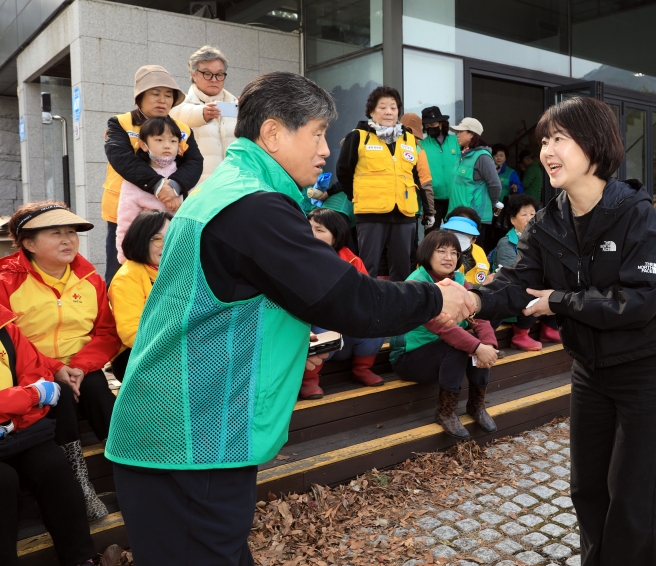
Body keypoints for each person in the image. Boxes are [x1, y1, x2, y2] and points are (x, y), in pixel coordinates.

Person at [104, 72, 473, 565]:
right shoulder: (252, 206)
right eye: (317, 133)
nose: (326, 149)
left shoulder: (232, 190)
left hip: (188, 430)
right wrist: (435, 299)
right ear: (274, 133)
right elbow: (351, 300)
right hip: (190, 438)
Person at [469, 97, 656, 565]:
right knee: (587, 490)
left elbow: (641, 300)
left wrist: (560, 301)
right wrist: (473, 299)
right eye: (544, 140)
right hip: (589, 372)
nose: (547, 150)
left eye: (559, 139)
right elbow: (518, 283)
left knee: (634, 500)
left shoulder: (637, 215)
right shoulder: (548, 223)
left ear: (595, 144)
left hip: (646, 372)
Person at [0, 201, 122, 522]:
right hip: (29, 371)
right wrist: (55, 369)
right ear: (29, 243)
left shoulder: (90, 278)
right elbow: (11, 339)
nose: (68, 240)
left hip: (82, 366)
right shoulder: (5, 280)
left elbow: (106, 332)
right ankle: (78, 482)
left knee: (97, 389)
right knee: (61, 393)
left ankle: (127, 471)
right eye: (56, 233)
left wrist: (80, 366)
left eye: (71, 232)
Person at [0, 304, 100, 566]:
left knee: (53, 467)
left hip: (16, 431)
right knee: (3, 481)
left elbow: (36, 374)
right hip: (14, 425)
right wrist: (30, 397)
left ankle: (81, 560)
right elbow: (36, 392)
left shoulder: (6, 327)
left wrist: (15, 414)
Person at [391, 231, 498, 440]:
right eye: (441, 251)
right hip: (410, 358)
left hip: (442, 353)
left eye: (454, 252)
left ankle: (476, 406)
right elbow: (443, 328)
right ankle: (446, 411)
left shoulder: (458, 279)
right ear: (427, 253)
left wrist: (488, 345)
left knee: (477, 345)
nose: (449, 257)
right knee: (460, 346)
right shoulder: (416, 285)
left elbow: (477, 315)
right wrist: (477, 347)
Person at [103, 65, 203, 284]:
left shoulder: (183, 129)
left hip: (170, 216)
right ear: (140, 97)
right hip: (125, 214)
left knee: (172, 279)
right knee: (122, 276)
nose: (162, 100)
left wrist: (175, 186)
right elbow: (121, 158)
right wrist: (159, 185)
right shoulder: (120, 123)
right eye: (155, 93)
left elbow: (195, 162)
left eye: (168, 95)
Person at [299, 207, 385, 399]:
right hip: (314, 330)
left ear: (336, 236)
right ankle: (309, 380)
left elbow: (366, 295)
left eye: (319, 230)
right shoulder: (298, 257)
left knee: (377, 326)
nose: (311, 233)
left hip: (347, 331)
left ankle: (362, 369)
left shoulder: (353, 260)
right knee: (322, 327)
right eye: (308, 227)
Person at [335, 86, 419, 281]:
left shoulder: (408, 139)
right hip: (370, 213)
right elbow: (343, 171)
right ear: (371, 111)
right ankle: (366, 301)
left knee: (402, 268)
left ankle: (399, 301)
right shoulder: (358, 136)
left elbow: (413, 175)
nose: (389, 112)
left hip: (404, 213)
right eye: (382, 107)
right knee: (368, 267)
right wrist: (357, 196)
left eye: (393, 107)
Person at [108, 210, 173, 380]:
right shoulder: (127, 277)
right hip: (136, 354)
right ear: (142, 240)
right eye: (157, 239)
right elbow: (131, 333)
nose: (166, 245)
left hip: (175, 346)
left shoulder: (176, 270)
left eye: (171, 237)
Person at [490, 194, 559, 350]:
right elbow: (512, 276)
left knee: (559, 284)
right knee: (528, 289)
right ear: (513, 220)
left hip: (534, 287)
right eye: (524, 214)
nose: (530, 218)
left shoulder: (541, 239)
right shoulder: (506, 243)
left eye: (533, 214)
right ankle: (520, 335)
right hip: (509, 295)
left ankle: (550, 328)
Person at [115, 116, 182, 263]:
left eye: (173, 141)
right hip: (148, 257)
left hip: (181, 254)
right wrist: (125, 260)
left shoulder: (185, 176)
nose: (167, 146)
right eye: (159, 140)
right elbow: (126, 223)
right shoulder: (133, 181)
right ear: (143, 145)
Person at [170, 45, 238, 184]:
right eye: (207, 73)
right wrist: (202, 113)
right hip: (199, 187)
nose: (214, 79)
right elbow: (182, 114)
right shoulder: (180, 104)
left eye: (219, 74)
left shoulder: (237, 106)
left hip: (233, 184)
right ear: (194, 75)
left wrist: (251, 110)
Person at [448, 118, 501, 251]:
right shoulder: (462, 155)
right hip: (457, 217)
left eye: (461, 132)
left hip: (475, 219)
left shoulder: (483, 157)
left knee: (473, 256)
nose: (457, 135)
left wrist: (490, 205)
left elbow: (495, 185)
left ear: (471, 134)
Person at [420, 106, 461, 231]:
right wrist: (423, 206)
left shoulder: (456, 142)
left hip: (454, 198)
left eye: (433, 124)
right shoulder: (422, 145)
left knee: (455, 234)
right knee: (432, 235)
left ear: (442, 123)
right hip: (432, 200)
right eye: (427, 126)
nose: (430, 128)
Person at [443, 209, 489, 287]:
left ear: (474, 239)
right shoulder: (434, 250)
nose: (458, 236)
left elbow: (486, 274)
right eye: (454, 230)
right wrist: (481, 286)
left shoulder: (479, 251)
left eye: (464, 233)